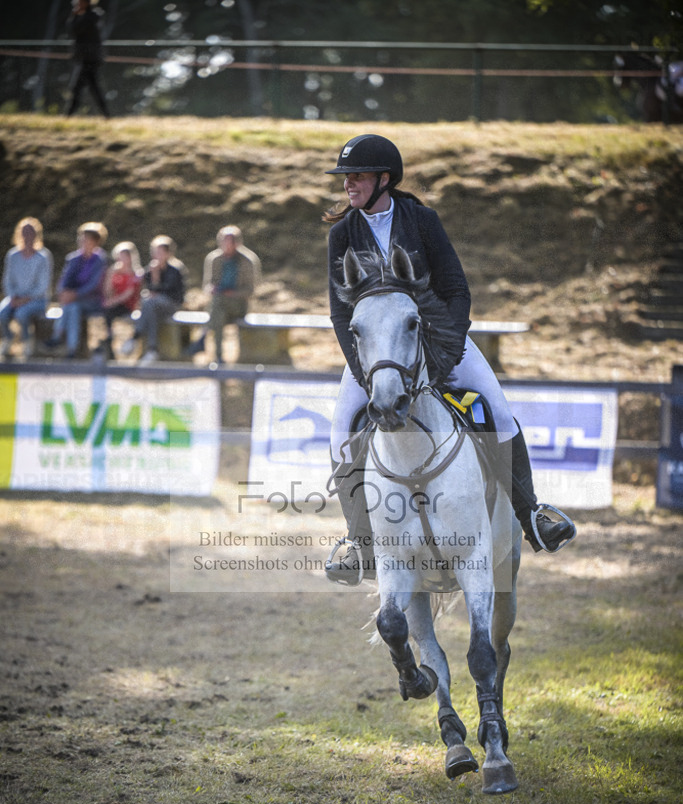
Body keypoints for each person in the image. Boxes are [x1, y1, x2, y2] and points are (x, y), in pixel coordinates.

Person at [323, 134, 576, 585]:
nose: (349, 184)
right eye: (346, 177)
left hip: (440, 339)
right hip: (376, 355)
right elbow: (341, 312)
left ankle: (531, 513)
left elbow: (457, 290)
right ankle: (358, 540)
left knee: (497, 410)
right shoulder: (342, 233)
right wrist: (363, 369)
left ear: (384, 179)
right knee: (341, 429)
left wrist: (446, 350)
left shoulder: (421, 220)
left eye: (357, 176)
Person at [189, 225, 261, 363]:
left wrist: (231, 293)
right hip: (219, 306)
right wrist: (212, 289)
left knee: (217, 304)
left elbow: (250, 290)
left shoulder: (247, 260)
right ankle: (219, 356)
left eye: (231, 241)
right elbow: (207, 285)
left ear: (238, 242)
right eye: (225, 241)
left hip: (238, 305)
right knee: (218, 311)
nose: (227, 245)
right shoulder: (214, 259)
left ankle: (204, 340)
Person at [122, 236, 186, 365]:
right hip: (154, 307)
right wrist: (154, 276)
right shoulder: (149, 270)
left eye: (161, 252)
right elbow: (147, 289)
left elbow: (170, 292)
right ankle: (152, 349)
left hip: (171, 305)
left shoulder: (175, 270)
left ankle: (135, 337)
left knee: (149, 303)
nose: (157, 255)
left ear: (168, 253)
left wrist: (156, 279)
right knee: (151, 309)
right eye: (155, 252)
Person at [49, 222, 108, 358]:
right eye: (81, 238)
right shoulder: (73, 259)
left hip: (93, 301)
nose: (82, 241)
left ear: (95, 241)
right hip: (73, 301)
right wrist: (63, 292)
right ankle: (71, 348)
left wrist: (74, 294)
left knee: (72, 306)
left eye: (86, 239)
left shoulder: (100, 260)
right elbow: (64, 280)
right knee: (73, 307)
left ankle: (59, 338)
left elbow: (94, 285)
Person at [0, 217, 53, 359]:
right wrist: (13, 296)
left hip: (36, 299)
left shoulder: (43, 257)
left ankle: (27, 342)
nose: (27, 236)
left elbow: (43, 286)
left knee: (21, 314)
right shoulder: (13, 255)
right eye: (24, 232)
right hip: (15, 298)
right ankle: (8, 338)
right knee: (2, 313)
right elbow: (7, 280)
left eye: (31, 232)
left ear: (36, 234)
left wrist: (25, 299)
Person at [66, 0, 110, 118]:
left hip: (91, 58)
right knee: (92, 88)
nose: (77, 5)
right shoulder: (86, 17)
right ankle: (106, 114)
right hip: (86, 58)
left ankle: (69, 115)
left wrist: (75, 16)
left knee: (79, 88)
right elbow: (73, 30)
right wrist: (75, 16)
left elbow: (77, 30)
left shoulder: (93, 16)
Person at [99, 241, 143, 359]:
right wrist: (110, 275)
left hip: (128, 306)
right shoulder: (113, 271)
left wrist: (111, 302)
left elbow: (128, 294)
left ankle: (109, 341)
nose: (123, 259)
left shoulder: (136, 274)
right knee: (106, 310)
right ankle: (108, 340)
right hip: (114, 306)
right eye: (121, 255)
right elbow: (107, 292)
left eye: (126, 256)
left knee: (109, 309)